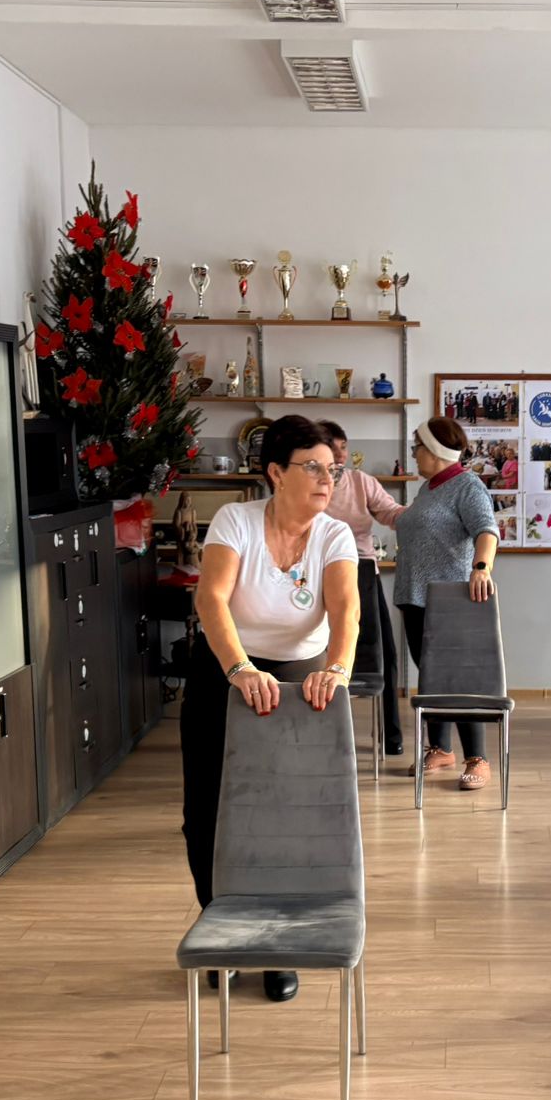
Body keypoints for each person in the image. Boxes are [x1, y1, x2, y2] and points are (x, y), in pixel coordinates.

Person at [185, 415, 360, 1002]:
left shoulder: (335, 535)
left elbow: (346, 612)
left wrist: (337, 669)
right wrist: (239, 669)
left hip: (301, 678)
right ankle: (225, 933)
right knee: (209, 808)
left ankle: (280, 945)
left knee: (289, 812)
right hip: (226, 669)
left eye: (333, 470)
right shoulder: (235, 521)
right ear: (277, 473)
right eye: (313, 468)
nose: (327, 480)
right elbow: (211, 599)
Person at [396, 414, 500, 791]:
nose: (414, 454)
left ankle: (478, 759)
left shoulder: (467, 486)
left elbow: (487, 530)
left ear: (435, 450)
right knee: (431, 676)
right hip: (415, 596)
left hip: (449, 600)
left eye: (417, 447)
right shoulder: (428, 488)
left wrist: (481, 568)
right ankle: (440, 749)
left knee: (457, 678)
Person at [321, 422, 405, 757]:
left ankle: (391, 734)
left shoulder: (361, 481)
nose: (340, 454)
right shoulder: (311, 483)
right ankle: (322, 734)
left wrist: (422, 514)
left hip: (363, 571)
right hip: (322, 573)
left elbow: (391, 513)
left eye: (343, 446)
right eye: (333, 447)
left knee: (385, 654)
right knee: (320, 654)